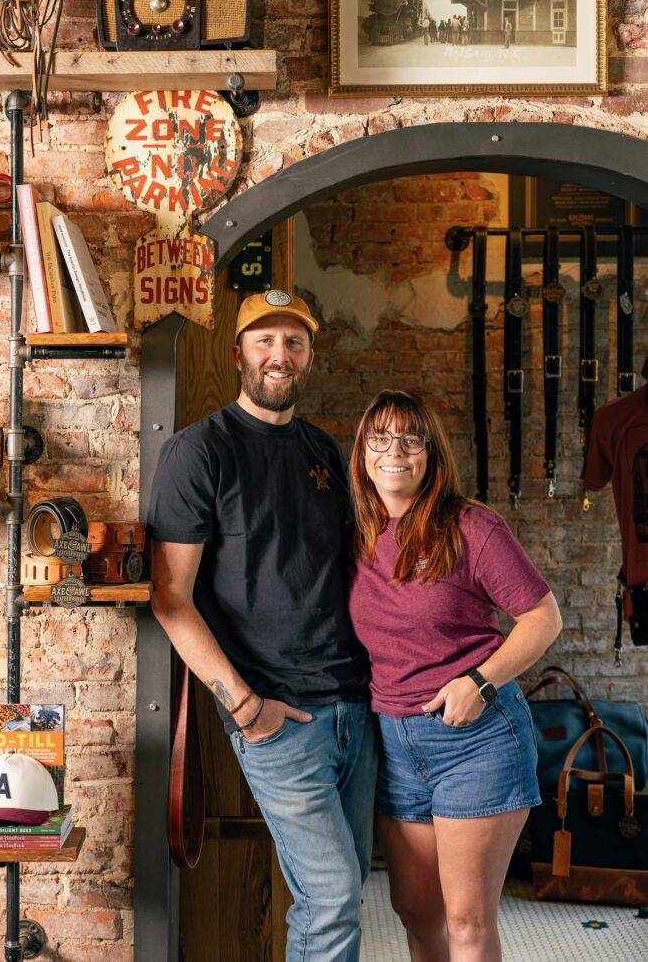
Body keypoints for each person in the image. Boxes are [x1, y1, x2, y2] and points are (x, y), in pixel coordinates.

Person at [148, 290, 376, 962]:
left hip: (354, 707)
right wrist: (244, 706)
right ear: (239, 352)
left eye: (295, 342)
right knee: (332, 897)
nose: (281, 355)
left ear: (309, 355)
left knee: (343, 887)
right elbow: (170, 597)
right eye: (265, 340)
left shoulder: (323, 450)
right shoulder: (199, 453)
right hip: (278, 714)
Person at [347, 390, 562, 962]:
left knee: (467, 920)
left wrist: (481, 681)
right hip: (394, 743)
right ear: (363, 452)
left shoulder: (473, 528)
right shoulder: (358, 535)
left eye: (410, 440)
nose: (395, 452)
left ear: (430, 453)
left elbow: (544, 617)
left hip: (477, 740)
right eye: (380, 438)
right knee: (416, 912)